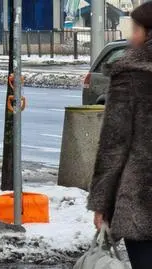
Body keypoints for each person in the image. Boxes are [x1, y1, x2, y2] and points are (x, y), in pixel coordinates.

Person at [87, 2, 152, 269]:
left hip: (141, 199)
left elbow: (114, 145)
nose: (130, 36)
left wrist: (101, 204)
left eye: (135, 29)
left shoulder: (131, 76)